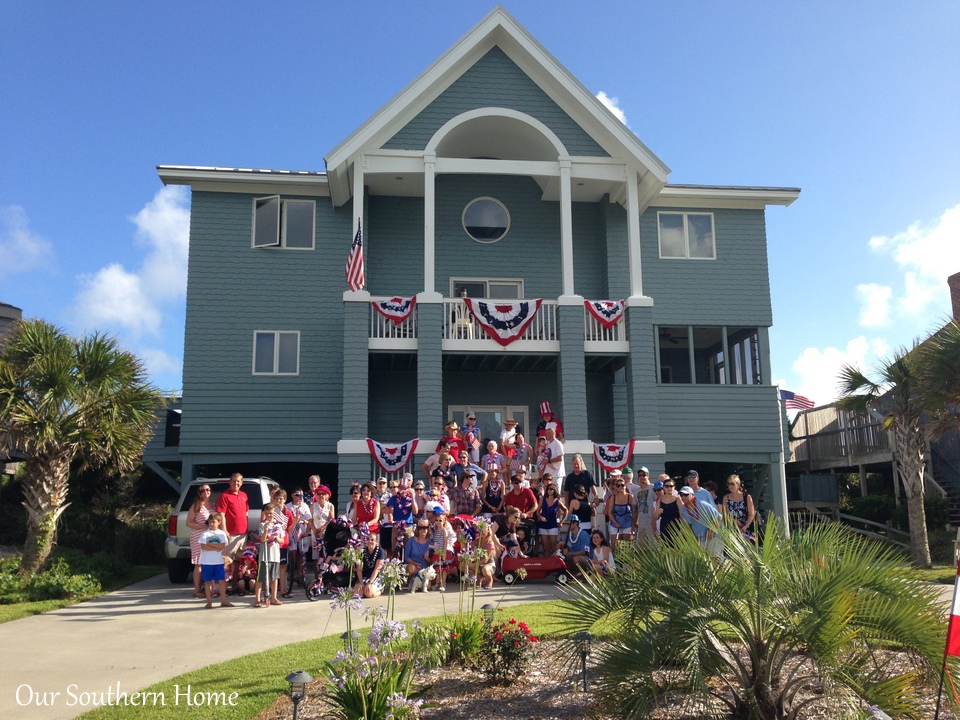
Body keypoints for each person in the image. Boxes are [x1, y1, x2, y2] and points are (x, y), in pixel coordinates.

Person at [216, 473, 249, 593]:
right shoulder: (224, 496)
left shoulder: (244, 496)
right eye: (234, 481)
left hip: (243, 534)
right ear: (229, 482)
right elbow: (221, 514)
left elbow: (246, 513)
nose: (236, 483)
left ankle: (234, 587)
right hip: (231, 534)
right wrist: (224, 530)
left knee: (237, 562)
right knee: (225, 562)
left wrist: (247, 529)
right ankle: (221, 589)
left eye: (238, 481)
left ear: (241, 483)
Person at [186, 483, 216, 598]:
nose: (206, 492)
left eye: (208, 489)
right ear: (199, 493)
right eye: (203, 490)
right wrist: (201, 526)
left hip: (212, 537)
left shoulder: (213, 505)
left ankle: (209, 588)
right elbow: (188, 522)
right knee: (199, 563)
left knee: (210, 562)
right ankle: (197, 589)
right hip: (199, 537)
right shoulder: (196, 506)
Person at [198, 512, 233, 608]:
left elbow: (222, 546)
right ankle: (209, 601)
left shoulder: (221, 533)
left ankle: (223, 600)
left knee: (222, 581)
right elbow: (203, 546)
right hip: (206, 561)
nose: (212, 524)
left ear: (219, 522)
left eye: (214, 522)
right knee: (207, 582)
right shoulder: (205, 533)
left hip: (218, 562)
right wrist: (215, 547)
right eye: (210, 522)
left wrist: (210, 544)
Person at [679, 485, 723, 558]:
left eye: (686, 494)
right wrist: (679, 540)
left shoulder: (703, 504)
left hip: (713, 536)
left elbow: (719, 517)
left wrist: (711, 530)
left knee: (716, 561)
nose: (683, 497)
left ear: (692, 495)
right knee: (703, 563)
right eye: (681, 495)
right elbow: (685, 526)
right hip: (699, 538)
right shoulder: (683, 509)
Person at [254, 503, 282, 608]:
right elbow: (262, 539)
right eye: (267, 514)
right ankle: (257, 599)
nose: (269, 515)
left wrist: (276, 538)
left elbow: (282, 540)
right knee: (261, 579)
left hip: (275, 555)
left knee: (274, 578)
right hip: (264, 556)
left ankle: (274, 598)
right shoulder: (262, 525)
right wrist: (266, 530)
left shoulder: (278, 526)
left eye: (271, 513)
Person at [285, 489, 312, 595]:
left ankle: (300, 575)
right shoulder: (288, 506)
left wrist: (308, 531)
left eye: (301, 495)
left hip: (302, 532)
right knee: (293, 553)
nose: (299, 497)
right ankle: (291, 575)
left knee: (302, 554)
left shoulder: (304, 506)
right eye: (297, 495)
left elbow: (309, 520)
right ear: (292, 495)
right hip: (292, 532)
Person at [605, 474, 636, 550]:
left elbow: (635, 510)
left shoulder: (630, 497)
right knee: (613, 546)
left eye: (622, 485)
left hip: (627, 522)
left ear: (625, 486)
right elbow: (609, 512)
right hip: (615, 522)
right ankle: (613, 560)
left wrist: (634, 524)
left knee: (626, 546)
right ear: (615, 487)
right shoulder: (613, 497)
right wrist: (615, 523)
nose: (620, 487)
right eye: (618, 485)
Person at [428, 509, 456, 592]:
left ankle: (443, 583)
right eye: (436, 520)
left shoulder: (444, 530)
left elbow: (445, 542)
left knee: (444, 568)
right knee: (438, 568)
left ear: (444, 521)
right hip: (437, 551)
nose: (438, 522)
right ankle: (437, 583)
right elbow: (433, 540)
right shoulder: (435, 530)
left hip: (443, 551)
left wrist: (444, 552)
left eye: (440, 520)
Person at [722, 474, 756, 539]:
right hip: (732, 530)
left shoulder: (746, 497)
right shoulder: (726, 498)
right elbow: (725, 514)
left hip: (745, 529)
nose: (730, 486)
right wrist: (733, 521)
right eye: (728, 484)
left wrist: (746, 526)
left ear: (738, 485)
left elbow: (751, 514)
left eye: (732, 484)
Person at [536, 482, 565, 557]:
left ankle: (554, 562)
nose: (549, 491)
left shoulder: (557, 501)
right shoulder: (542, 500)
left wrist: (561, 521)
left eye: (551, 489)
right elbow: (537, 512)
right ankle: (546, 564)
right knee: (545, 547)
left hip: (553, 525)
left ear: (554, 490)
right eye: (548, 489)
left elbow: (566, 510)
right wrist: (540, 517)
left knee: (553, 545)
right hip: (543, 525)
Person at [354, 531, 386, 598]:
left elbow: (377, 569)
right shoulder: (361, 551)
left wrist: (369, 583)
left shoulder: (380, 551)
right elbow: (359, 569)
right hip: (364, 577)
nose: (370, 541)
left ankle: (380, 591)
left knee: (369, 593)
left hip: (375, 578)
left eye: (372, 540)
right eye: (368, 539)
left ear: (376, 542)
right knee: (358, 594)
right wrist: (361, 583)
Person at [404, 520, 433, 591]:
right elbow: (406, 556)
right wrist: (415, 563)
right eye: (420, 528)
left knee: (428, 587)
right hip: (413, 565)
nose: (423, 530)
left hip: (425, 568)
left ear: (428, 529)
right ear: (418, 529)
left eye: (425, 528)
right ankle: (410, 581)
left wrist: (427, 559)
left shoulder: (431, 542)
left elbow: (432, 561)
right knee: (411, 568)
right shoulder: (411, 540)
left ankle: (419, 584)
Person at [633, 469, 657, 543]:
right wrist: (634, 523)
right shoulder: (636, 491)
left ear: (648, 476)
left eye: (644, 475)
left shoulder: (653, 488)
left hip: (651, 522)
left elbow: (658, 503)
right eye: (640, 475)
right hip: (641, 523)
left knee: (653, 547)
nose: (641, 477)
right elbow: (635, 508)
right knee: (641, 549)